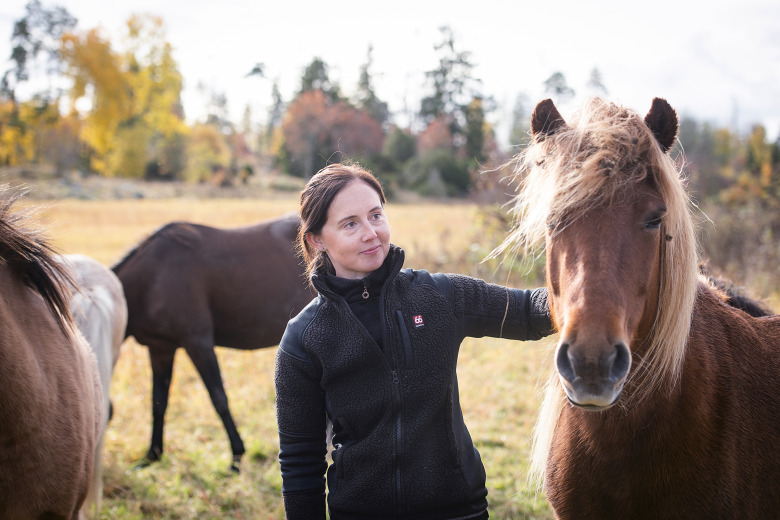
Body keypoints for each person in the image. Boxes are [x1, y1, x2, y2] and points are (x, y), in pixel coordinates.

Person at [275, 163, 553, 520]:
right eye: (350, 224)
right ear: (316, 239)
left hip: (457, 510)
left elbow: (528, 311)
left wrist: (592, 292)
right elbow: (300, 459)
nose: (371, 233)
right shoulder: (304, 338)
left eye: (376, 215)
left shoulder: (438, 296)